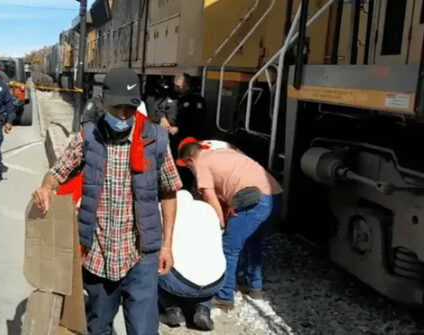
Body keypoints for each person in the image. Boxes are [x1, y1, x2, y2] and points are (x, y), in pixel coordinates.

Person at [32, 67, 182, 335]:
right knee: (98, 327)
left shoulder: (155, 140)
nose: (123, 115)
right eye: (117, 108)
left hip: (141, 255)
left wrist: (167, 245)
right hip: (98, 256)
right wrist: (46, 188)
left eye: (129, 108)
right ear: (102, 102)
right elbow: (58, 173)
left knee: (144, 330)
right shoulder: (89, 138)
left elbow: (169, 193)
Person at [177, 138, 283, 310]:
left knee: (228, 247)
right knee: (253, 242)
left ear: (189, 160)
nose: (191, 170)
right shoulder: (223, 153)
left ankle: (224, 296)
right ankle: (253, 286)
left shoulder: (200, 162)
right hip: (275, 195)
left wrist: (220, 225)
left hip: (255, 200)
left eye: (188, 166)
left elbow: (210, 197)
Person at [159, 190, 226, 331]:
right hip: (217, 282)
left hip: (180, 283)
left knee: (155, 265)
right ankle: (203, 308)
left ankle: (171, 309)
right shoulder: (207, 209)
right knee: (207, 268)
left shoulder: (163, 211)